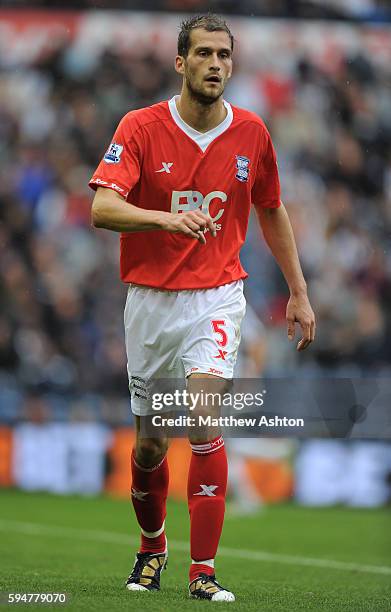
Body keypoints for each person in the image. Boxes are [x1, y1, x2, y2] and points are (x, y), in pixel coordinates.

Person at [89, 14, 315, 603]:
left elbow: (271, 207)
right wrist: (166, 218)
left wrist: (298, 290)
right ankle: (151, 547)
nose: (216, 64)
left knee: (204, 421)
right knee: (149, 446)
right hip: (150, 302)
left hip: (216, 296)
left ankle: (204, 571)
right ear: (180, 62)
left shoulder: (252, 133)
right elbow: (102, 209)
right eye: (205, 53)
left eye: (225, 55)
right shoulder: (140, 127)